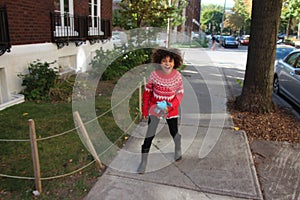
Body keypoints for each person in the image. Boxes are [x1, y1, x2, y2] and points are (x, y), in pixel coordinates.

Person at [137, 47, 184, 174]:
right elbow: (147, 93)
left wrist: (170, 106)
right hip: (155, 108)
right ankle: (143, 161)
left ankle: (177, 148)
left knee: (174, 131)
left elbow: (180, 94)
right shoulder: (154, 75)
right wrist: (145, 110)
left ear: (175, 62)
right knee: (149, 135)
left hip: (170, 109)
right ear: (159, 62)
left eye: (170, 61)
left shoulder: (177, 76)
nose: (167, 64)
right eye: (164, 61)